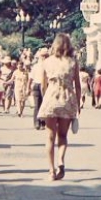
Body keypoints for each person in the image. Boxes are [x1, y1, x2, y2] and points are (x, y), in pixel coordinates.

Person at [37, 33, 81, 181]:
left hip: (51, 98)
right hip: (67, 99)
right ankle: (60, 161)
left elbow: (43, 85)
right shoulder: (73, 62)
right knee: (62, 135)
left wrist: (46, 99)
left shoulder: (47, 62)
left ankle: (51, 171)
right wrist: (79, 103)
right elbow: (78, 85)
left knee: (49, 137)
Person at [29, 48, 48, 129]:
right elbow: (31, 78)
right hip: (37, 84)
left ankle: (43, 122)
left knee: (45, 105)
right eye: (43, 55)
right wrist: (28, 88)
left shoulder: (49, 65)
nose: (44, 57)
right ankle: (37, 122)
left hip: (47, 85)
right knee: (37, 105)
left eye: (46, 55)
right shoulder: (36, 66)